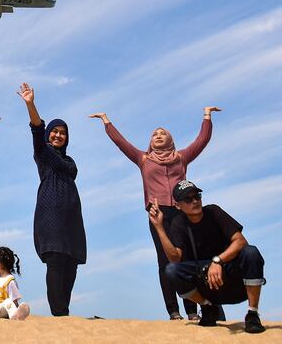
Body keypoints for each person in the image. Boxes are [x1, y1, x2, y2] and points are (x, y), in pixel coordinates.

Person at [89, 106, 220, 320]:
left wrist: (207, 115)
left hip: (181, 213)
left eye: (163, 133)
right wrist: (106, 121)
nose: (158, 136)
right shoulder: (143, 159)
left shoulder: (181, 158)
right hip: (158, 215)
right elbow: (122, 144)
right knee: (164, 261)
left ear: (170, 139)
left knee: (184, 259)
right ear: (151, 142)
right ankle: (173, 311)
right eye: (154, 134)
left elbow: (202, 140)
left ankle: (192, 311)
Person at [149, 180, 266, 333]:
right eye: (188, 199)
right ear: (178, 206)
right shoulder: (179, 223)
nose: (195, 201)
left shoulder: (214, 212)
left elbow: (240, 241)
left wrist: (217, 261)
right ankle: (207, 308)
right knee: (171, 270)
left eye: (197, 196)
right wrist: (159, 227)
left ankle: (252, 314)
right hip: (207, 288)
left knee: (251, 252)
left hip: (233, 281)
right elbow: (175, 259)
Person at [17, 83, 86, 317]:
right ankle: (60, 314)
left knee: (71, 264)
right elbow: (37, 129)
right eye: (55, 131)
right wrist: (30, 104)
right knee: (56, 261)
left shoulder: (71, 161)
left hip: (72, 219)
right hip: (50, 216)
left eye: (63, 132)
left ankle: (63, 311)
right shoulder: (43, 153)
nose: (58, 135)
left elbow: (70, 171)